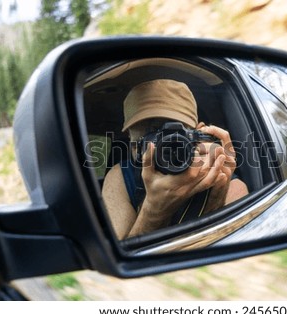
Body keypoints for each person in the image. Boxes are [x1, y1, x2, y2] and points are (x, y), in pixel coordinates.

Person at [102, 79, 249, 239]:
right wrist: (153, 211)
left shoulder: (228, 183)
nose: (157, 153)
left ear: (201, 134)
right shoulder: (121, 177)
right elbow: (119, 254)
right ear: (129, 138)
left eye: (174, 141)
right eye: (142, 144)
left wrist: (216, 195)